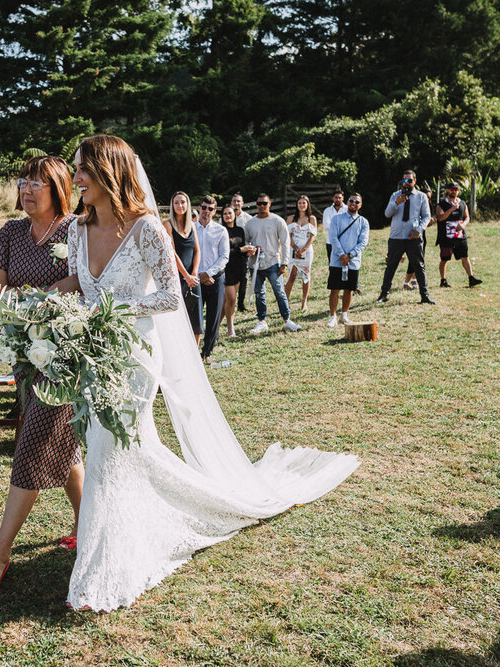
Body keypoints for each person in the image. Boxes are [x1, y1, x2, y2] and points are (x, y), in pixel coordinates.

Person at [59, 134, 358, 612]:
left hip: (134, 352)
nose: (76, 179)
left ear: (110, 172)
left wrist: (112, 309)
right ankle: (130, 528)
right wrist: (41, 305)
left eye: (83, 170)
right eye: (76, 169)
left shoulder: (147, 229)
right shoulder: (77, 228)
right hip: (93, 353)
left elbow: (169, 297)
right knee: (108, 444)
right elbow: (79, 283)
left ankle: (103, 565)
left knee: (111, 447)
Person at [0, 156, 84, 595]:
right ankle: (86, 521)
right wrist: (4, 312)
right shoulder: (11, 232)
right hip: (23, 352)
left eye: (37, 182)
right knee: (62, 444)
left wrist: (34, 299)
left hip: (64, 352)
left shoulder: (76, 228)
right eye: (23, 181)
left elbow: (82, 279)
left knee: (34, 441)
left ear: (58, 188)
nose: (27, 188)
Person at [245, 194, 302, 334]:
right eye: (259, 203)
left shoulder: (277, 221)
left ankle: (287, 320)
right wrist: (250, 249)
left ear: (269, 203)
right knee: (259, 293)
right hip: (256, 264)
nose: (262, 206)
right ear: (256, 205)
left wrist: (285, 263)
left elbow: (285, 242)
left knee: (279, 292)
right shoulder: (250, 223)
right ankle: (262, 321)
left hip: (273, 263)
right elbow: (246, 241)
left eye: (264, 203)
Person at [376, 170, 434, 304]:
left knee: (419, 266)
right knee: (391, 266)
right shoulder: (395, 195)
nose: (406, 183)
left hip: (413, 238)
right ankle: (383, 294)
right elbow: (387, 214)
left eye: (409, 181)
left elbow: (426, 216)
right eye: (404, 181)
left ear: (415, 181)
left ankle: (424, 296)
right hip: (396, 237)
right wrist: (396, 202)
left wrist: (419, 230)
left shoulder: (421, 197)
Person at [326, 194, 370, 328]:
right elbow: (333, 237)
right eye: (351, 200)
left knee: (349, 289)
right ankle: (332, 316)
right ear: (347, 202)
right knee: (335, 289)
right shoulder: (337, 219)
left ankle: (344, 314)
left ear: (360, 205)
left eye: (357, 202)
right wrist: (341, 254)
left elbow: (363, 242)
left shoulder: (363, 222)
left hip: (353, 261)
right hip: (337, 260)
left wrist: (350, 255)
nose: (353, 203)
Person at [195, 196, 229, 361]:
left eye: (210, 209)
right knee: (195, 317)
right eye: (204, 207)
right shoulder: (191, 229)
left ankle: (207, 352)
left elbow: (224, 257)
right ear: (199, 208)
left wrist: (208, 273)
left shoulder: (221, 230)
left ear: (214, 212)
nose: (206, 211)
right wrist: (198, 276)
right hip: (195, 279)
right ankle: (193, 352)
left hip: (215, 278)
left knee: (213, 316)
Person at [167, 192, 202, 342]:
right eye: (176, 203)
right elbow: (172, 253)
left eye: (183, 202)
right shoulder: (167, 225)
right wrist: (186, 276)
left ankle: (196, 360)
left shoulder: (192, 226)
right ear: (172, 205)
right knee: (179, 319)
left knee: (197, 321)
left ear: (188, 205)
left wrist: (193, 274)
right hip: (177, 279)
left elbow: (197, 250)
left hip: (193, 279)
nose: (180, 206)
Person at [434, 182, 482, 288]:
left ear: (458, 191)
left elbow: (467, 217)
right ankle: (443, 280)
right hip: (446, 237)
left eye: (456, 190)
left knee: (465, 257)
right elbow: (440, 217)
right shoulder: (441, 204)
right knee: (444, 259)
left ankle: (471, 278)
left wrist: (464, 225)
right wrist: (451, 209)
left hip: (460, 236)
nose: (454, 191)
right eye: (451, 189)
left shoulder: (462, 203)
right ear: (447, 190)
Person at [284, 195, 317, 312]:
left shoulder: (311, 219)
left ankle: (304, 302)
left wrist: (303, 250)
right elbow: (287, 235)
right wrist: (295, 248)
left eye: (304, 203)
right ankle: (285, 302)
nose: (302, 205)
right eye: (300, 203)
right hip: (293, 249)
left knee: (305, 276)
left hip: (306, 250)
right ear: (296, 205)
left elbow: (313, 236)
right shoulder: (291, 219)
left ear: (307, 205)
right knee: (291, 275)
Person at [220, 205, 246, 338]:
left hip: (239, 268)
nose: (228, 216)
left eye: (230, 213)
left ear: (234, 215)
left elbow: (243, 248)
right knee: (231, 300)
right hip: (226, 268)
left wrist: (249, 251)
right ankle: (230, 328)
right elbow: (224, 252)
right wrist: (241, 250)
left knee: (227, 302)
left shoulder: (240, 230)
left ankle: (215, 329)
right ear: (222, 216)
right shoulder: (221, 231)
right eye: (225, 214)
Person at [230, 193, 252, 312]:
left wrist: (249, 249)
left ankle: (241, 304)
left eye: (238, 201)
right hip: (231, 252)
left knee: (244, 278)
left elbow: (251, 236)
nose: (236, 203)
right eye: (234, 201)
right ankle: (229, 302)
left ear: (242, 203)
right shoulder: (226, 217)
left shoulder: (248, 219)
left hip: (244, 252)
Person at [322, 190, 347, 261]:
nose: (338, 199)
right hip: (330, 242)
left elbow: (348, 225)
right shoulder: (327, 210)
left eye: (339, 197)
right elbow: (326, 225)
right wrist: (341, 225)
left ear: (343, 198)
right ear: (333, 198)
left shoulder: (347, 209)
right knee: (332, 264)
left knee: (344, 263)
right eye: (336, 197)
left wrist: (333, 225)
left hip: (344, 242)